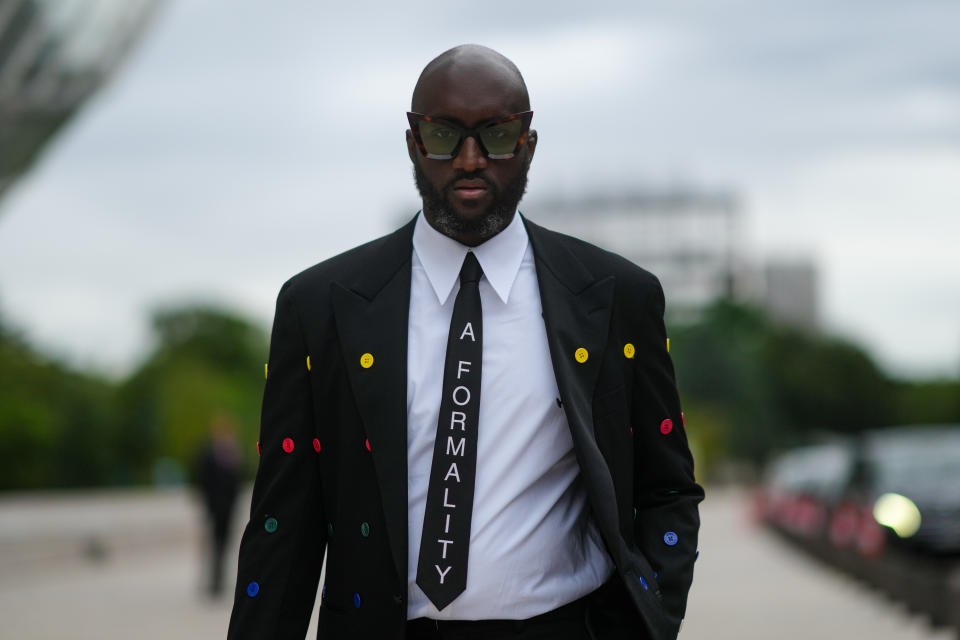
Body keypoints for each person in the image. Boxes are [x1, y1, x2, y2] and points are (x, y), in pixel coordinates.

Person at [228, 44, 703, 640]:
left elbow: (667, 487)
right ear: (412, 141)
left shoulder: (616, 298)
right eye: (445, 134)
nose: (471, 159)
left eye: (497, 137)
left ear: (528, 143)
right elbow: (284, 522)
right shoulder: (319, 306)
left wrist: (648, 621)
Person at [195, 413, 242, 597]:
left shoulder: (233, 455)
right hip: (214, 509)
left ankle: (219, 581)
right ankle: (212, 582)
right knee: (212, 545)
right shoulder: (209, 454)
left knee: (225, 545)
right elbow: (203, 482)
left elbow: (237, 483)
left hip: (228, 509)